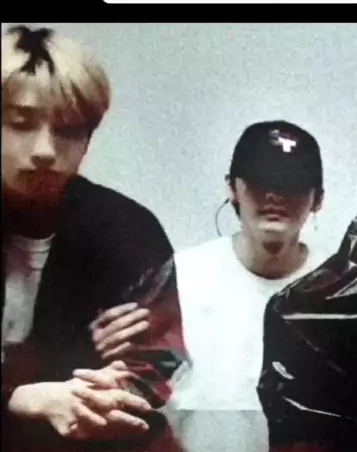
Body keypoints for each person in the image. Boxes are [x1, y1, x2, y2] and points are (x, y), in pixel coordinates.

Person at [2, 24, 190, 447]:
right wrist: (21, 399)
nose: (45, 149)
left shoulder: (126, 227)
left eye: (68, 130)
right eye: (21, 124)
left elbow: (157, 367)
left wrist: (113, 393)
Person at [91, 121, 327, 413]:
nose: (274, 195)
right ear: (232, 187)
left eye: (292, 183)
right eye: (261, 180)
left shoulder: (341, 288)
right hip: (193, 441)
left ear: (318, 198)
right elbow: (135, 385)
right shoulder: (182, 277)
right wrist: (98, 361)